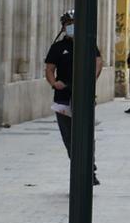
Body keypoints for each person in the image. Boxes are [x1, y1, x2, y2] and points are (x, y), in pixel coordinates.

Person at [44, 10, 104, 185]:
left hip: (84, 97)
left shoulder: (88, 44)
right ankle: (78, 167)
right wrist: (54, 83)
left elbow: (98, 62)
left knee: (86, 134)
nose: (72, 27)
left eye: (75, 23)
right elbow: (49, 69)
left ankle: (90, 169)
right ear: (63, 27)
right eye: (69, 24)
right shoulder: (57, 47)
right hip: (63, 98)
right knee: (69, 136)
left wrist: (90, 80)